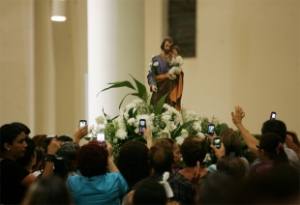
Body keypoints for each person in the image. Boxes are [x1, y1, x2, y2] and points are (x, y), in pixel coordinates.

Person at [147, 37, 184, 110]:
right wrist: (152, 84)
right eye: (166, 45)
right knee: (157, 110)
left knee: (169, 112)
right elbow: (151, 74)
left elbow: (178, 73)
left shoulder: (174, 59)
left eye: (170, 46)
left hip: (170, 91)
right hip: (159, 90)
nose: (168, 47)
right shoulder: (156, 59)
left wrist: (178, 73)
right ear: (163, 46)